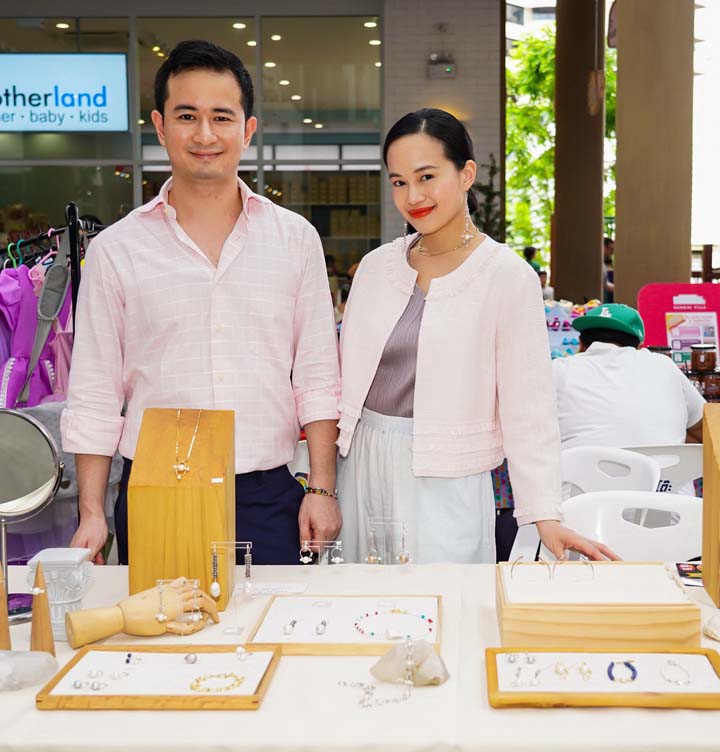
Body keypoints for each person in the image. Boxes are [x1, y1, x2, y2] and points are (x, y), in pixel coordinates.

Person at [62, 40, 341, 566]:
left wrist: (322, 488)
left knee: (275, 618)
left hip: (269, 494)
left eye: (222, 117)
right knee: (158, 621)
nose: (205, 135)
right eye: (187, 116)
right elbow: (95, 391)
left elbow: (318, 376)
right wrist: (92, 511)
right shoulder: (116, 250)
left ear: (247, 129)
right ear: (160, 125)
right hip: (156, 491)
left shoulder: (294, 239)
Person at [337, 108, 618, 564]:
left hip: (445, 476)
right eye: (399, 182)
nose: (413, 196)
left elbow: (529, 406)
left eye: (427, 176)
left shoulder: (505, 276)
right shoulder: (374, 269)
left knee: (446, 600)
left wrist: (544, 514)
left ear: (466, 174)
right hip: (360, 464)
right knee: (359, 599)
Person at [553, 303, 704, 450]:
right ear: (640, 347)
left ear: (580, 344)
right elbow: (705, 428)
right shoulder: (664, 364)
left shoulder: (558, 369)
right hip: (664, 466)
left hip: (583, 466)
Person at [603, 236, 615, 303]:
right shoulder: (599, 265)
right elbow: (604, 284)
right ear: (604, 247)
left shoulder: (608, 264)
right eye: (611, 249)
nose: (612, 252)